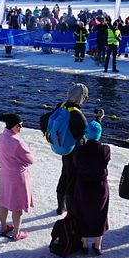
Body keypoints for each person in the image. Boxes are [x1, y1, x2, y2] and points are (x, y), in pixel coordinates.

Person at [41, 83, 89, 214]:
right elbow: (88, 133)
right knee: (72, 178)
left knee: (65, 174)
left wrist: (50, 138)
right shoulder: (77, 114)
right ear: (81, 97)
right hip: (75, 150)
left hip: (62, 147)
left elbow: (44, 119)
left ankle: (60, 206)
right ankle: (70, 209)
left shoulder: (61, 106)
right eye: (85, 96)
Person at [73, 120, 110, 255]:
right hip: (100, 186)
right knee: (100, 212)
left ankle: (84, 243)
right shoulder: (105, 150)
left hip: (83, 186)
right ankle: (98, 244)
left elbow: (76, 163)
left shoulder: (80, 150)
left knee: (83, 211)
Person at [0, 113, 35, 240]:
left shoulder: (1, 137)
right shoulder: (17, 141)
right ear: (13, 126)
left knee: (4, 202)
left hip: (4, 174)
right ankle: (17, 233)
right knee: (17, 207)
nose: (21, 128)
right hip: (17, 177)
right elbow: (30, 160)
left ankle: (3, 227)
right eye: (19, 125)